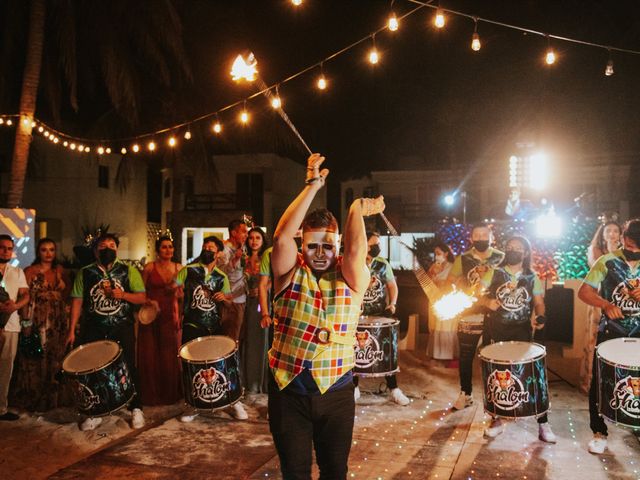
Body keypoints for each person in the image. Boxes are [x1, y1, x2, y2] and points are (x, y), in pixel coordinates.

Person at [268, 152, 383, 479]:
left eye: (328, 246)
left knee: (335, 471)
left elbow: (358, 249)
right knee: (295, 472)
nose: (320, 253)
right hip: (288, 393)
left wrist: (355, 208)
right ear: (302, 244)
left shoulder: (350, 276)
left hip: (336, 396)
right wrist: (312, 187)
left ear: (338, 245)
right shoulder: (288, 273)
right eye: (312, 245)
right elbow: (280, 237)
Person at [479, 235, 556, 443]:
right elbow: (476, 292)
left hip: (522, 333)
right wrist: (487, 301)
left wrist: (540, 316)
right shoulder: (494, 272)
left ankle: (543, 423)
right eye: (510, 247)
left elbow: (539, 302)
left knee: (531, 375)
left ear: (525, 253)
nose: (513, 250)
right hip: (496, 331)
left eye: (518, 248)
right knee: (497, 376)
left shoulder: (532, 277)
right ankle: (496, 420)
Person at [67, 233, 147, 431]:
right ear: (95, 251)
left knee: (129, 364)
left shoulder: (128, 271)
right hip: (93, 327)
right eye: (103, 246)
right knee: (93, 368)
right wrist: (71, 330)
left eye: (112, 245)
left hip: (122, 326)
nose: (108, 249)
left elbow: (142, 298)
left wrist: (124, 295)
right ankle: (97, 411)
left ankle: (136, 407)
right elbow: (76, 301)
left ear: (117, 250)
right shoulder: (85, 273)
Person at [578, 219, 640, 455]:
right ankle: (599, 431)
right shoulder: (606, 261)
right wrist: (605, 304)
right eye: (631, 246)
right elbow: (584, 292)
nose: (634, 251)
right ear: (623, 239)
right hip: (612, 331)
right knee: (601, 380)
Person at [175, 236, 248, 422]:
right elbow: (172, 289)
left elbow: (230, 301)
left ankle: (232, 401)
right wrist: (178, 301)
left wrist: (224, 298)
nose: (207, 250)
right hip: (191, 323)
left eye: (211, 248)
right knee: (190, 365)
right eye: (205, 247)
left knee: (219, 364)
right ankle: (192, 405)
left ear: (218, 254)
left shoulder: (221, 276)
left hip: (214, 325)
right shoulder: (189, 270)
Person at [448, 224, 504, 410]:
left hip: (495, 314)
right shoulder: (463, 259)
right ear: (471, 238)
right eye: (476, 235)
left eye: (484, 235)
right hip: (469, 313)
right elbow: (451, 282)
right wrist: (457, 285)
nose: (480, 238)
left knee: (494, 356)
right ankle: (466, 393)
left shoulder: (501, 258)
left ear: (491, 236)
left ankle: (496, 395)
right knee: (466, 355)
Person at [13, 238, 70, 412]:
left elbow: (66, 297)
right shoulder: (30, 271)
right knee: (34, 357)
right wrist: (26, 322)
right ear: (38, 252)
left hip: (57, 321)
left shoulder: (60, 271)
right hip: (37, 319)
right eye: (44, 250)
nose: (48, 253)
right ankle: (33, 399)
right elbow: (23, 297)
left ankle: (51, 400)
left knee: (55, 358)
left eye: (51, 250)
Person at [353, 231, 410, 406]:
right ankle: (353, 388)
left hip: (378, 315)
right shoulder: (353, 262)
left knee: (387, 351)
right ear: (364, 245)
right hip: (355, 315)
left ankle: (394, 388)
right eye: (373, 244)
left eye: (378, 244)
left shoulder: (383, 264)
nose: (377, 247)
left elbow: (392, 285)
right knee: (355, 352)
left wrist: (392, 303)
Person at [138, 235, 183, 406]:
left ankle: (168, 394)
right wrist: (149, 302)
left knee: (168, 354)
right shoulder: (150, 267)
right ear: (157, 250)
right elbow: (140, 291)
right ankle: (150, 394)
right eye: (164, 247)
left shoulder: (179, 267)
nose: (168, 250)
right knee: (149, 353)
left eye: (170, 247)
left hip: (169, 313)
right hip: (150, 313)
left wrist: (177, 314)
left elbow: (180, 296)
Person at [579, 221, 622, 394]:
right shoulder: (595, 250)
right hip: (598, 301)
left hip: (618, 302)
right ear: (602, 234)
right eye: (608, 231)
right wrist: (612, 251)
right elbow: (598, 267)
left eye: (615, 230)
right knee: (595, 341)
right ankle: (592, 384)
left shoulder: (627, 253)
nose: (612, 233)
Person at [0, 235, 30, 421]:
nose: (6, 251)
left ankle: (1, 409)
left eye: (9, 248)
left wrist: (15, 307)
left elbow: (25, 295)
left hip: (11, 325)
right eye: (2, 247)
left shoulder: (17, 271)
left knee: (5, 368)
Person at [243, 227, 270, 393]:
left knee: (259, 341)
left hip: (261, 303)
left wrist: (263, 288)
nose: (254, 241)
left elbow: (274, 279)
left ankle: (258, 383)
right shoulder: (242, 259)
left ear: (263, 240)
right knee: (245, 341)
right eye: (251, 238)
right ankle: (244, 381)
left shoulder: (267, 257)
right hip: (244, 302)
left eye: (257, 238)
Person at [426, 240, 457, 362]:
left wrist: (444, 283)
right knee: (434, 325)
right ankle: (436, 354)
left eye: (438, 253)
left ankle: (448, 354)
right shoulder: (434, 266)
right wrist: (433, 273)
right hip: (434, 299)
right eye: (435, 253)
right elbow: (428, 282)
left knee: (446, 326)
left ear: (446, 254)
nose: (436, 255)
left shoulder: (452, 266)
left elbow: (456, 282)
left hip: (448, 300)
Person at [219, 219, 248, 343]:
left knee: (237, 339)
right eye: (244, 232)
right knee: (228, 340)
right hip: (228, 301)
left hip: (241, 298)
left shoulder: (244, 248)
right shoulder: (223, 249)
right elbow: (220, 273)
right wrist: (234, 259)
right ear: (234, 233)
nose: (246, 235)